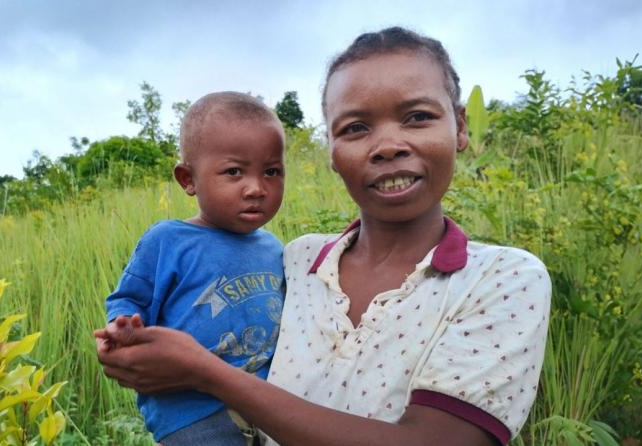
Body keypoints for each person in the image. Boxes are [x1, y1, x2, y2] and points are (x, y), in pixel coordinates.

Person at [98, 26, 551, 446]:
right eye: (355, 128)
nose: (388, 144)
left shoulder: (504, 279)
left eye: (416, 117)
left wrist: (204, 372)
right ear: (332, 151)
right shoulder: (297, 260)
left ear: (460, 127)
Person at [98, 91, 287, 445]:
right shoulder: (168, 241)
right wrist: (123, 327)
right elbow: (127, 300)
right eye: (234, 172)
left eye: (272, 172)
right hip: (191, 414)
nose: (256, 188)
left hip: (264, 404)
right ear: (188, 179)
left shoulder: (275, 249)